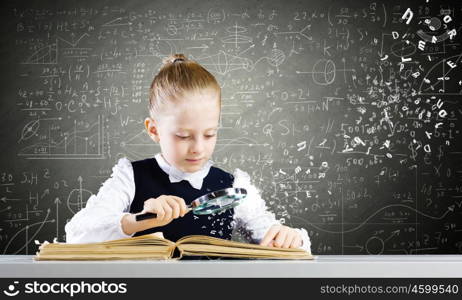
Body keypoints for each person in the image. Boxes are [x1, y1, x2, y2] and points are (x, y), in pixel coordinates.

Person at [65, 54, 311, 252]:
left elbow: (272, 237)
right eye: (183, 136)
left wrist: (290, 238)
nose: (198, 148)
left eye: (210, 134)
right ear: (154, 130)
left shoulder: (233, 185)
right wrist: (136, 220)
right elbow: (77, 234)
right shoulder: (130, 177)